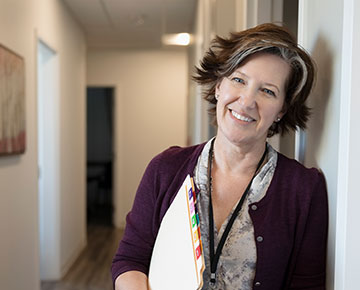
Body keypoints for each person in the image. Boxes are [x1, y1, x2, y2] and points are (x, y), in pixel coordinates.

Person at [111, 23, 328, 290]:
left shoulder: (304, 189)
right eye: (239, 80)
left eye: (267, 91)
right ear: (218, 86)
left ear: (282, 110)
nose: (247, 101)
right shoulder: (165, 169)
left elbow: (307, 284)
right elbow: (130, 260)